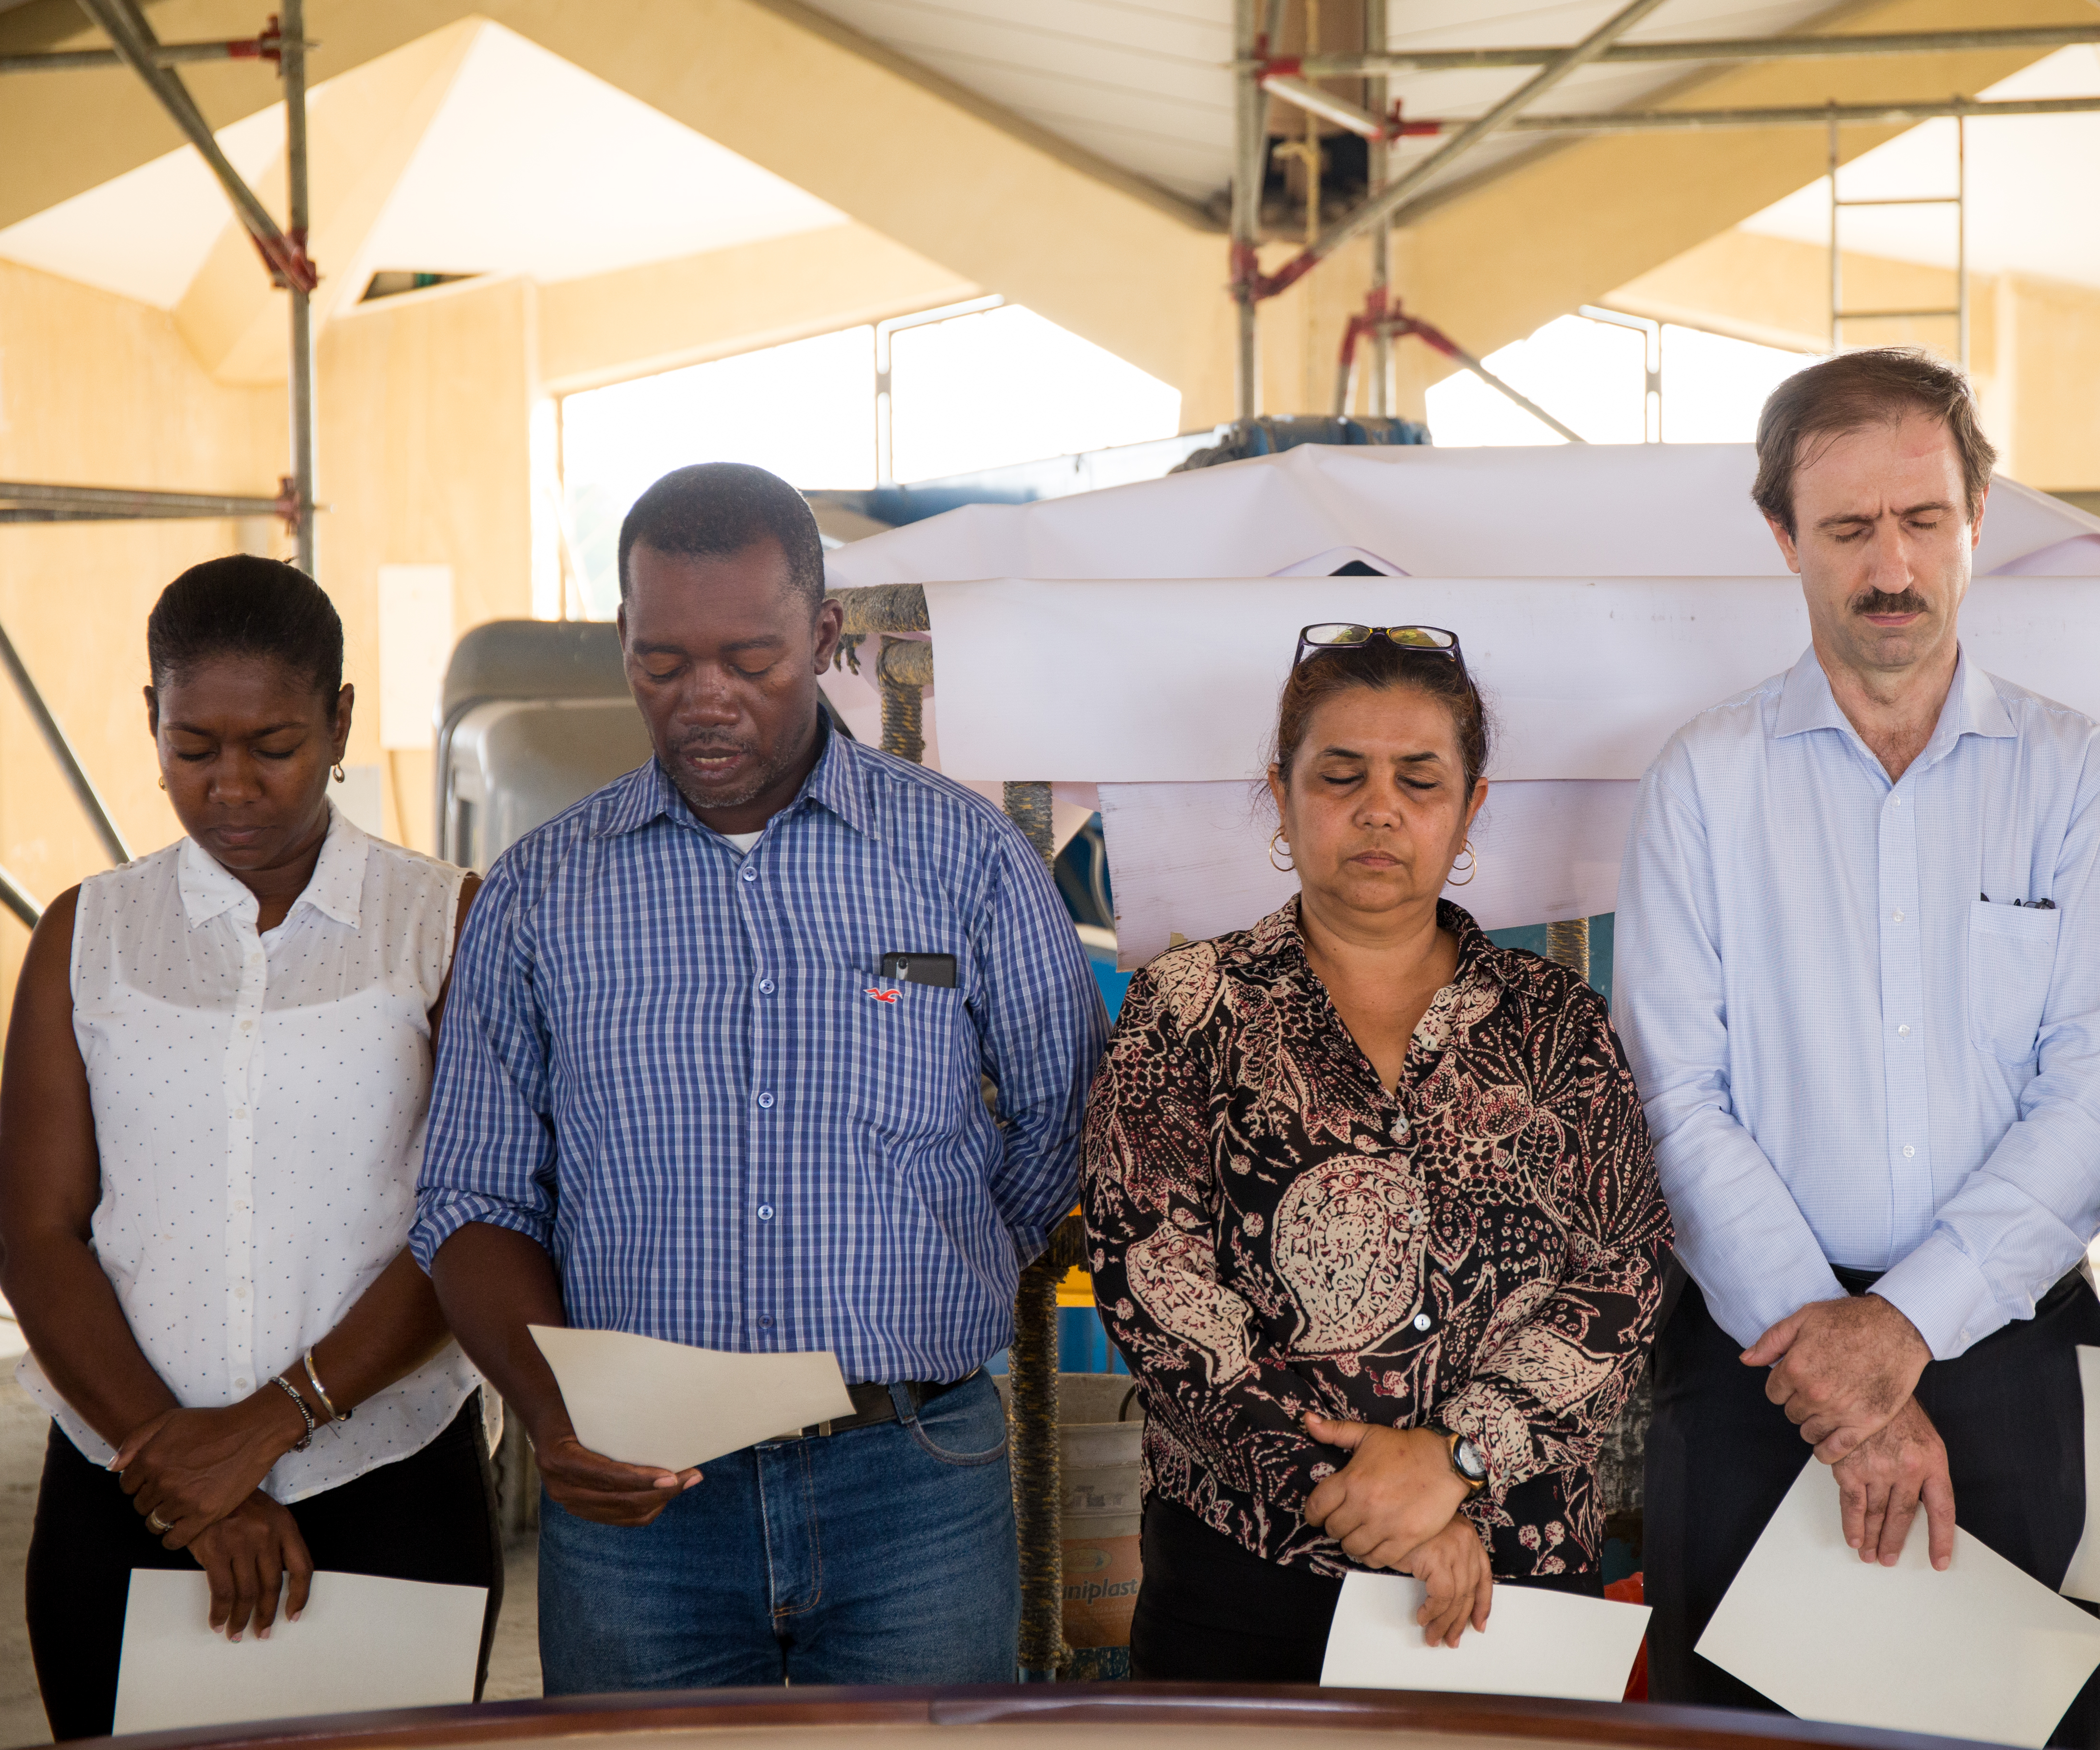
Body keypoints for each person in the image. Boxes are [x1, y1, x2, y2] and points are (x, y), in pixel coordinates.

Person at [412, 462, 1107, 1691]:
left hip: (915, 1479)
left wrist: (935, 1268)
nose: (706, 701)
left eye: (752, 659)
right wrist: (555, 1413)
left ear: (826, 636)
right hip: (639, 1507)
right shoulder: (540, 896)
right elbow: (472, 1202)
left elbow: (1066, 1125)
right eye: (663, 663)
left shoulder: (969, 864)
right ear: (623, 639)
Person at [1614, 348, 2100, 1739]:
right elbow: (1672, 1098)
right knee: (1743, 1731)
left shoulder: (2078, 777)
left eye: (1923, 521)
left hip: (2006, 1350)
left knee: (2008, 1728)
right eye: (1850, 529)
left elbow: (2096, 1105)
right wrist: (1841, 1380)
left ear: (1979, 518)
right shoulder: (1706, 779)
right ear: (1785, 540)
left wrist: (1906, 1328)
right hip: (1755, 1360)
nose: (1891, 566)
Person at [1084, 623, 1672, 1682]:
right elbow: (1150, 1281)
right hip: (1248, 1577)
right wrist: (1369, 1504)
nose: (1380, 810)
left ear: (1472, 806)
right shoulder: (1187, 1011)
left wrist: (1457, 1461)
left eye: (1420, 780)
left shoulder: (1557, 1025)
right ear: (1281, 791)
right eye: (1341, 775)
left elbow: (1622, 1275)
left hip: (1514, 1580)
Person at [0, 556, 499, 1740]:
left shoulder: (442, 921)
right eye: (193, 747)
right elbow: (35, 1229)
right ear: (152, 725)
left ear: (339, 721)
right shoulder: (90, 931)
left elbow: (473, 1218)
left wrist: (267, 1428)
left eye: (272, 744)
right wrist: (183, 1481)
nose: (231, 787)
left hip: (384, 1474)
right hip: (126, 1476)